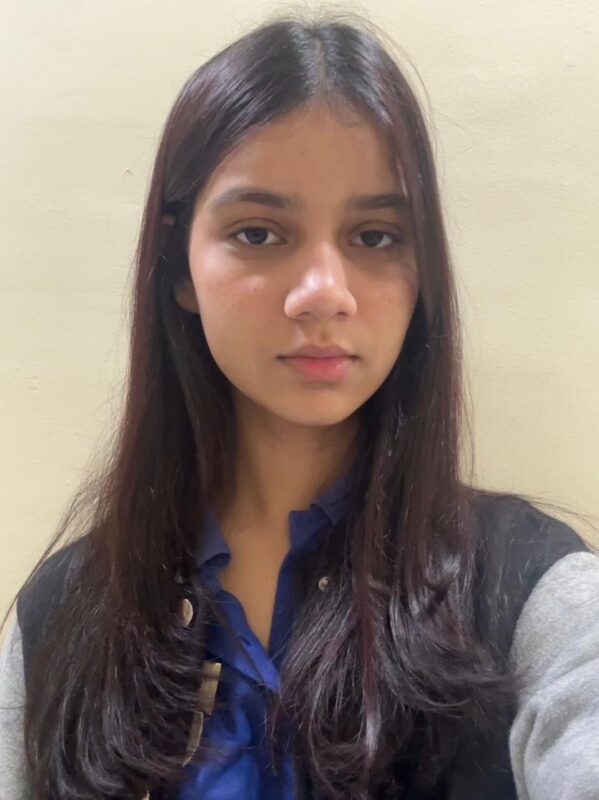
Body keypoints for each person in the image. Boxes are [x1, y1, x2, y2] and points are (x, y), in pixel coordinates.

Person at [1, 8, 598, 800]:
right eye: (258, 233)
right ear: (179, 269)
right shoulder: (59, 616)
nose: (323, 292)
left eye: (375, 236)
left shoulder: (532, 596)